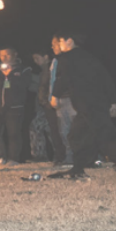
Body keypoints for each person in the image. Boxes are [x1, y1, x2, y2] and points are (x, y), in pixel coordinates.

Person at [49, 30, 116, 178]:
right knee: (78, 134)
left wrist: (55, 95)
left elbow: (63, 79)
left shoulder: (67, 57)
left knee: (104, 135)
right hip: (94, 102)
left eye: (61, 41)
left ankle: (80, 166)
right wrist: (113, 101)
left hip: (88, 103)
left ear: (70, 41)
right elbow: (105, 78)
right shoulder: (89, 56)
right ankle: (79, 167)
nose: (59, 44)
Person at [31, 50, 66, 163]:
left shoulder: (50, 68)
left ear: (45, 56)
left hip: (49, 105)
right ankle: (58, 155)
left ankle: (43, 156)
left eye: (37, 58)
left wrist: (44, 101)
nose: (35, 61)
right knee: (52, 131)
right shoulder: (44, 70)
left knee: (39, 128)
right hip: (47, 105)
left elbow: (46, 87)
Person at [48, 35, 75, 165]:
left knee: (79, 128)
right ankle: (69, 157)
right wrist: (52, 97)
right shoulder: (55, 61)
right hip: (60, 99)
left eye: (56, 43)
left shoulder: (71, 59)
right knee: (64, 131)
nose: (53, 46)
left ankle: (93, 156)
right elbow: (53, 81)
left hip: (72, 98)